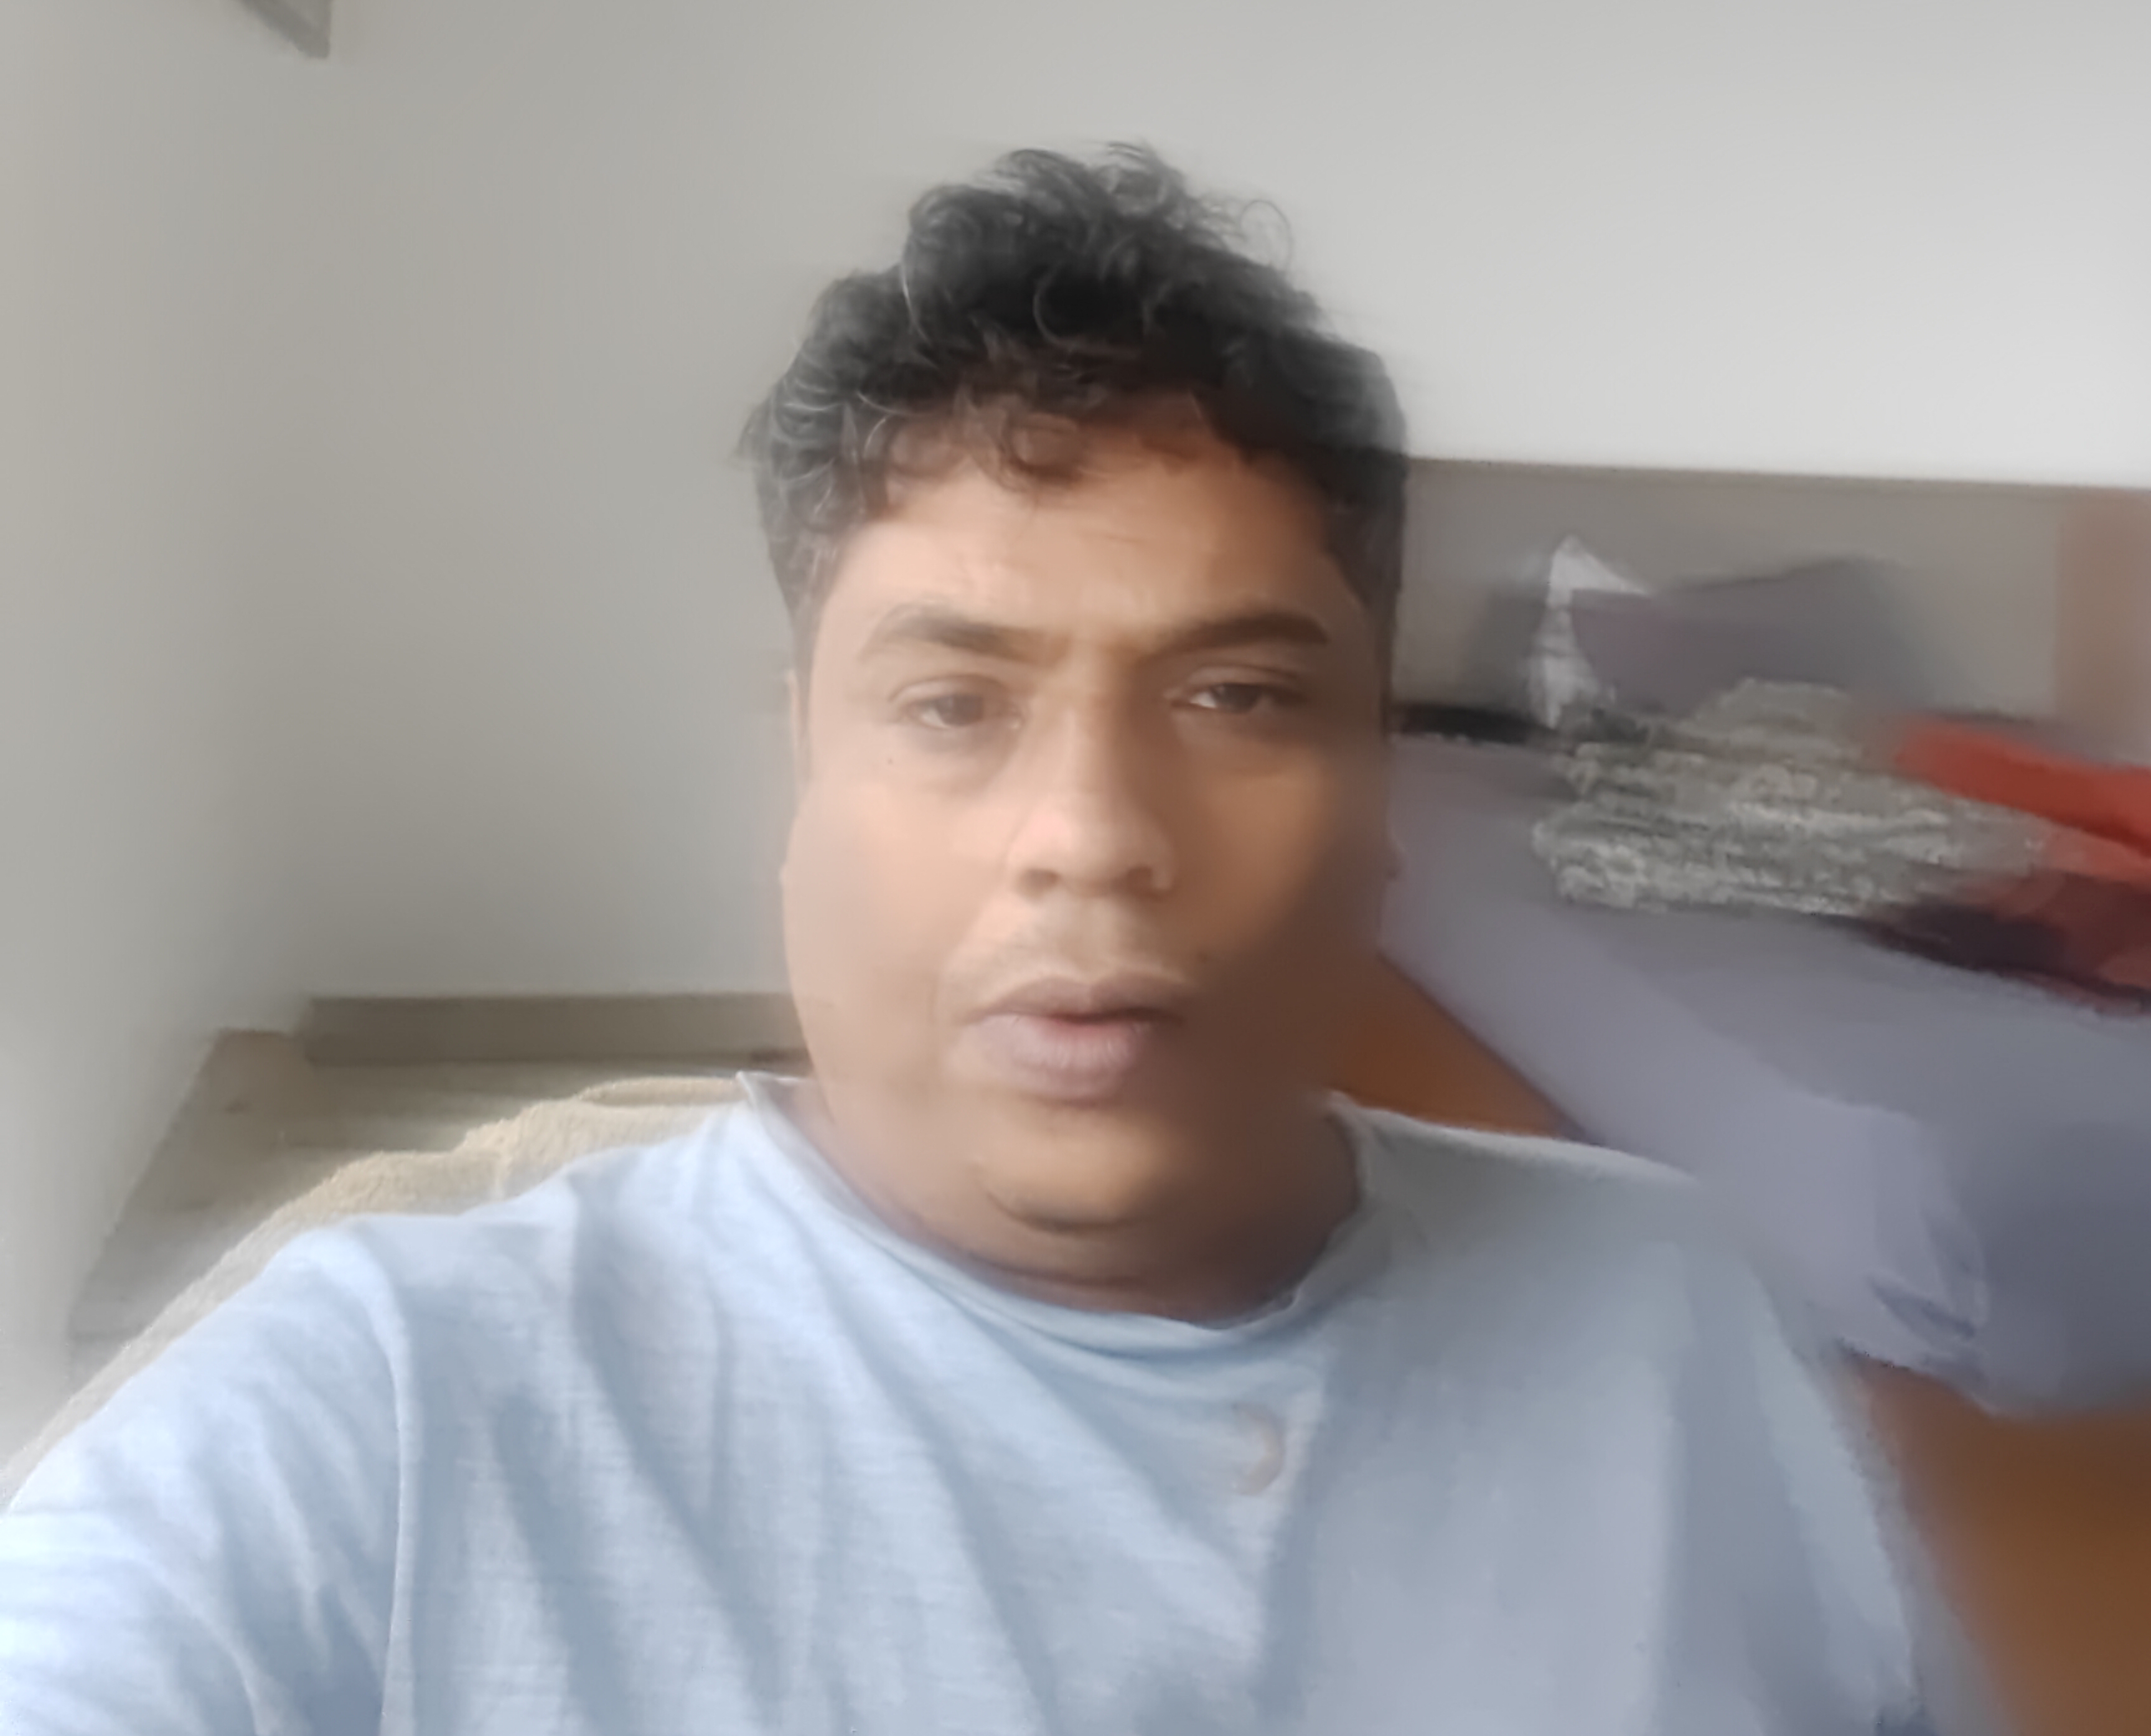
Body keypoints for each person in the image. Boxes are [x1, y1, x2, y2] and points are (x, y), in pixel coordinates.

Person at [0, 146, 1997, 1732]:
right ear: (805, 767)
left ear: (1381, 781)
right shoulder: (382, 1404)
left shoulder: (1685, 1319)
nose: (1095, 840)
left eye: (1237, 696)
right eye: (954, 703)